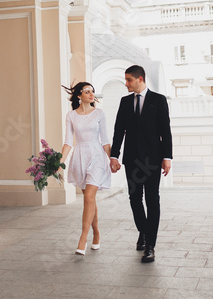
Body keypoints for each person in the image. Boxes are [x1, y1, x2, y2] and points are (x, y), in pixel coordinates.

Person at [109, 65, 172, 263]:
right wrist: (114, 156)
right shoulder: (125, 102)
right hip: (132, 160)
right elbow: (119, 130)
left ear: (140, 79)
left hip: (153, 160)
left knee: (152, 200)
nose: (126, 83)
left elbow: (165, 131)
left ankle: (150, 246)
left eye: (129, 80)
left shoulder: (158, 100)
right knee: (134, 198)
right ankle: (143, 232)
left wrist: (167, 158)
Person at [59, 81, 112, 255]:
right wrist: (60, 163)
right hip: (80, 157)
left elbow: (104, 140)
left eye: (93, 91)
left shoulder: (99, 114)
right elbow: (68, 142)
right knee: (90, 199)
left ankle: (83, 237)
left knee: (89, 196)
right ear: (79, 96)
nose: (91, 94)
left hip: (97, 156)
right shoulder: (71, 116)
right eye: (87, 91)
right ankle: (97, 233)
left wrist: (112, 159)